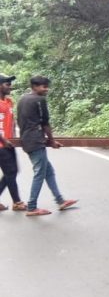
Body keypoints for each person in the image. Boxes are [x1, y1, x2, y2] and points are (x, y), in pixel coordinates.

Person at [16, 76, 77, 216]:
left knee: (48, 171)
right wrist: (52, 141)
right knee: (40, 173)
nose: (46, 89)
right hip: (36, 141)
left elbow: (20, 121)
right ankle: (32, 207)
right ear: (35, 87)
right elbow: (45, 123)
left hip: (27, 139)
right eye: (43, 86)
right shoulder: (39, 100)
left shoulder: (23, 99)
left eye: (46, 86)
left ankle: (60, 200)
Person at [0, 73, 26, 212]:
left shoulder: (9, 102)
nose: (10, 86)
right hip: (1, 145)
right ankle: (17, 202)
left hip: (8, 143)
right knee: (11, 172)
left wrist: (14, 137)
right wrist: (4, 140)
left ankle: (15, 201)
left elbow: (12, 121)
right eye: (7, 84)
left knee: (12, 171)